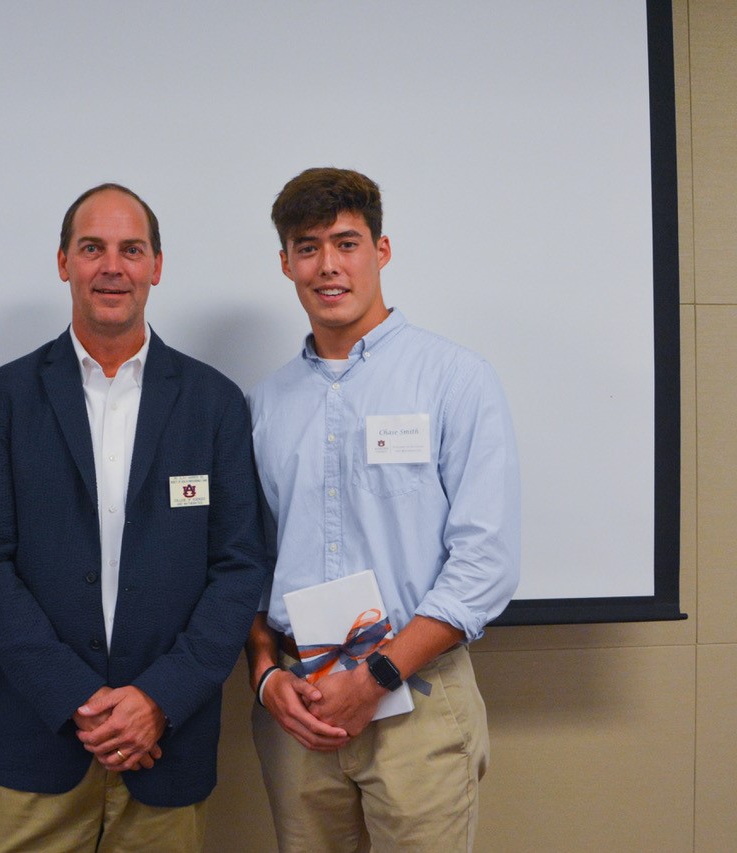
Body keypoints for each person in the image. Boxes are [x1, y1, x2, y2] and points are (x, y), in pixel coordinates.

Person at [0, 183, 268, 852]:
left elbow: (239, 569)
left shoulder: (213, 402)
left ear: (157, 265)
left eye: (131, 249)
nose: (112, 266)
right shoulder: (7, 396)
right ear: (64, 261)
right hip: (37, 744)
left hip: (167, 745)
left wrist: (157, 699)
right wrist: (80, 700)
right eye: (92, 248)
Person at [245, 168, 521, 852]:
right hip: (299, 708)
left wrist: (376, 675)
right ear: (286, 263)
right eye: (308, 247)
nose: (329, 265)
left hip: (418, 705)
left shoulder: (456, 379)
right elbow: (247, 560)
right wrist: (263, 671)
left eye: (347, 242)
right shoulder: (266, 405)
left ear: (382, 249)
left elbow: (485, 563)